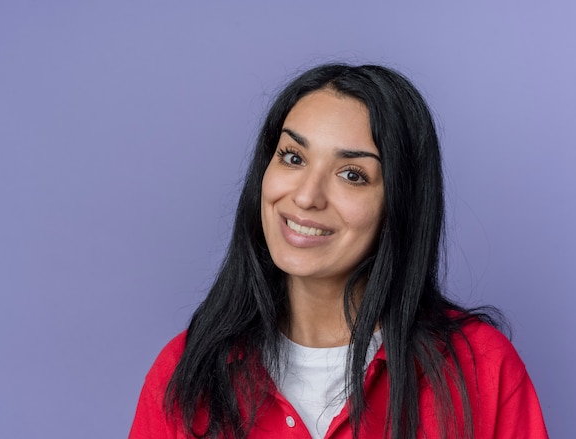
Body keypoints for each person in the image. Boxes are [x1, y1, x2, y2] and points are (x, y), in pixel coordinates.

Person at [129, 64, 548, 439]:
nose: (307, 197)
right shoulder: (185, 372)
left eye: (352, 174)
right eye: (292, 157)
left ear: (399, 206)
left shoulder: (482, 369)